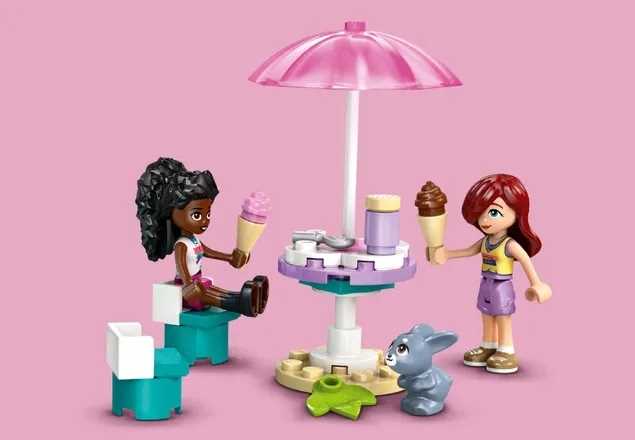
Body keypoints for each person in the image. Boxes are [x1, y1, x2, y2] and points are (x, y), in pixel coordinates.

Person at [430, 174, 551, 373]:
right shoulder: (486, 241)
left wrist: (536, 283)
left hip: (502, 285)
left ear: (516, 213)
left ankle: (506, 350)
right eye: (481, 213)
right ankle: (488, 346)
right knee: (486, 314)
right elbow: (469, 251)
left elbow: (525, 261)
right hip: (486, 283)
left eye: (493, 212)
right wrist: (446, 254)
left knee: (502, 316)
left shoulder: (509, 244)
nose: (485, 220)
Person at [135, 157, 268, 317]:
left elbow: (207, 252)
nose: (205, 221)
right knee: (206, 295)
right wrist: (188, 284)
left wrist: (230, 258)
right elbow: (182, 267)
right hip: (187, 288)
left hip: (197, 281)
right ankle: (239, 303)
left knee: (214, 289)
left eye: (208, 214)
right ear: (173, 213)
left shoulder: (193, 241)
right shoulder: (181, 245)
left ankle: (244, 297)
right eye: (197, 215)